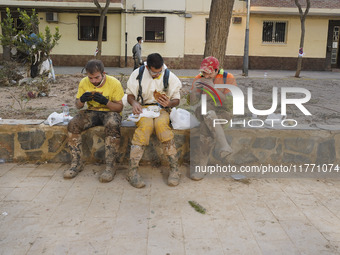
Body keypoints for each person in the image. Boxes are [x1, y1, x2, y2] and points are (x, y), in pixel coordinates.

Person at [126, 53, 182, 188]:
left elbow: (177, 100)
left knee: (161, 125)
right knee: (145, 126)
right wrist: (134, 103)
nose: (157, 75)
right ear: (147, 67)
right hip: (143, 109)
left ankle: (174, 169)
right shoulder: (137, 74)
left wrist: (169, 103)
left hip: (161, 110)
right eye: (154, 73)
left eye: (159, 72)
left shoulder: (169, 76)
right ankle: (132, 170)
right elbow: (130, 95)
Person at [64, 59, 124, 183]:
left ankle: (110, 166)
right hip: (92, 111)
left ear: (103, 73)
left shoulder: (114, 83)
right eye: (90, 78)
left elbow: (119, 108)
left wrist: (105, 101)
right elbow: (78, 105)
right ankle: (76, 163)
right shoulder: (84, 83)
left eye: (97, 78)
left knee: (113, 124)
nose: (94, 81)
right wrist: (81, 100)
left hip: (110, 112)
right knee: (73, 124)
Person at [190, 56, 237, 180]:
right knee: (206, 109)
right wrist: (193, 92)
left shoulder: (228, 78)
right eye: (203, 72)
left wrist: (213, 88)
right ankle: (224, 145)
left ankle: (202, 168)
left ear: (216, 70)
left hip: (223, 111)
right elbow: (191, 102)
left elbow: (229, 103)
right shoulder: (198, 78)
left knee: (206, 126)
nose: (205, 76)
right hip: (204, 109)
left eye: (208, 72)